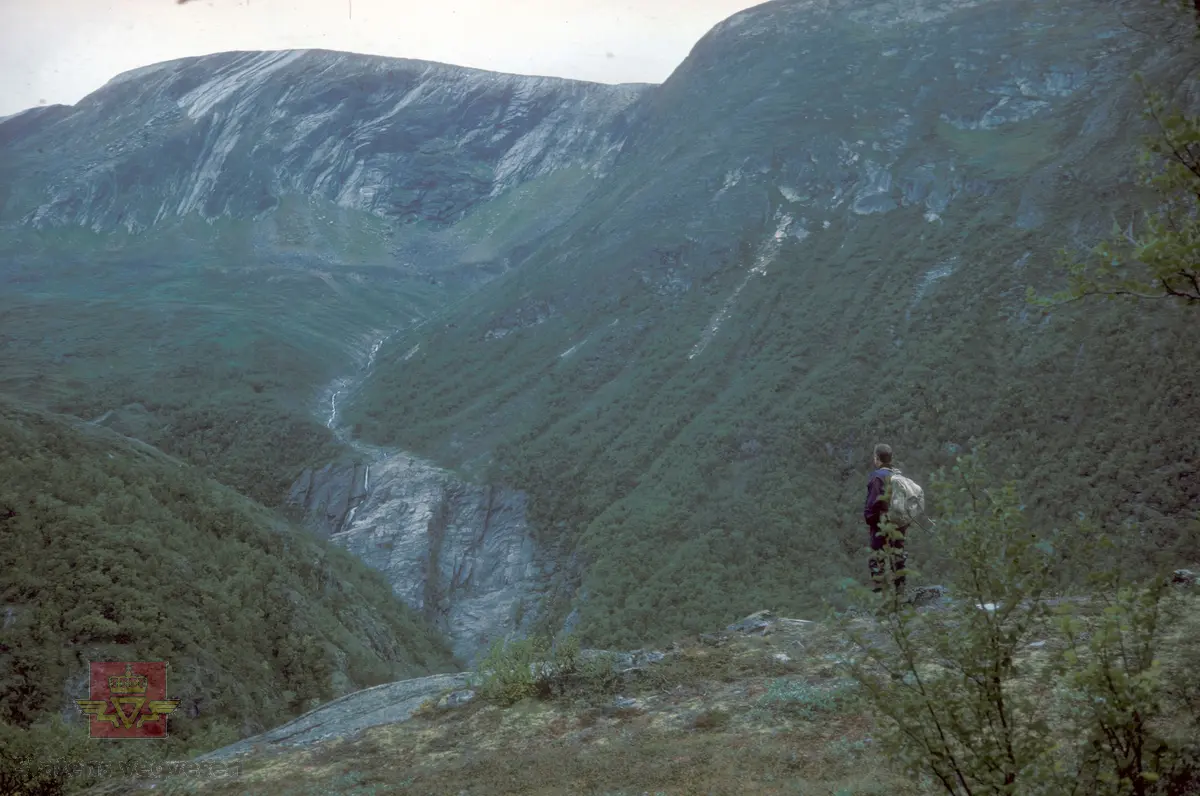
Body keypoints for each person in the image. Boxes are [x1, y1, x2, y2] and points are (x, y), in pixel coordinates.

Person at [863, 443, 907, 596]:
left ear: (877, 458)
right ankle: (900, 593)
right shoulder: (898, 475)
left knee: (877, 558)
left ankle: (880, 596)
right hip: (899, 524)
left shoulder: (877, 477)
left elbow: (874, 502)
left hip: (882, 524)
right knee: (898, 556)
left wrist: (870, 519)